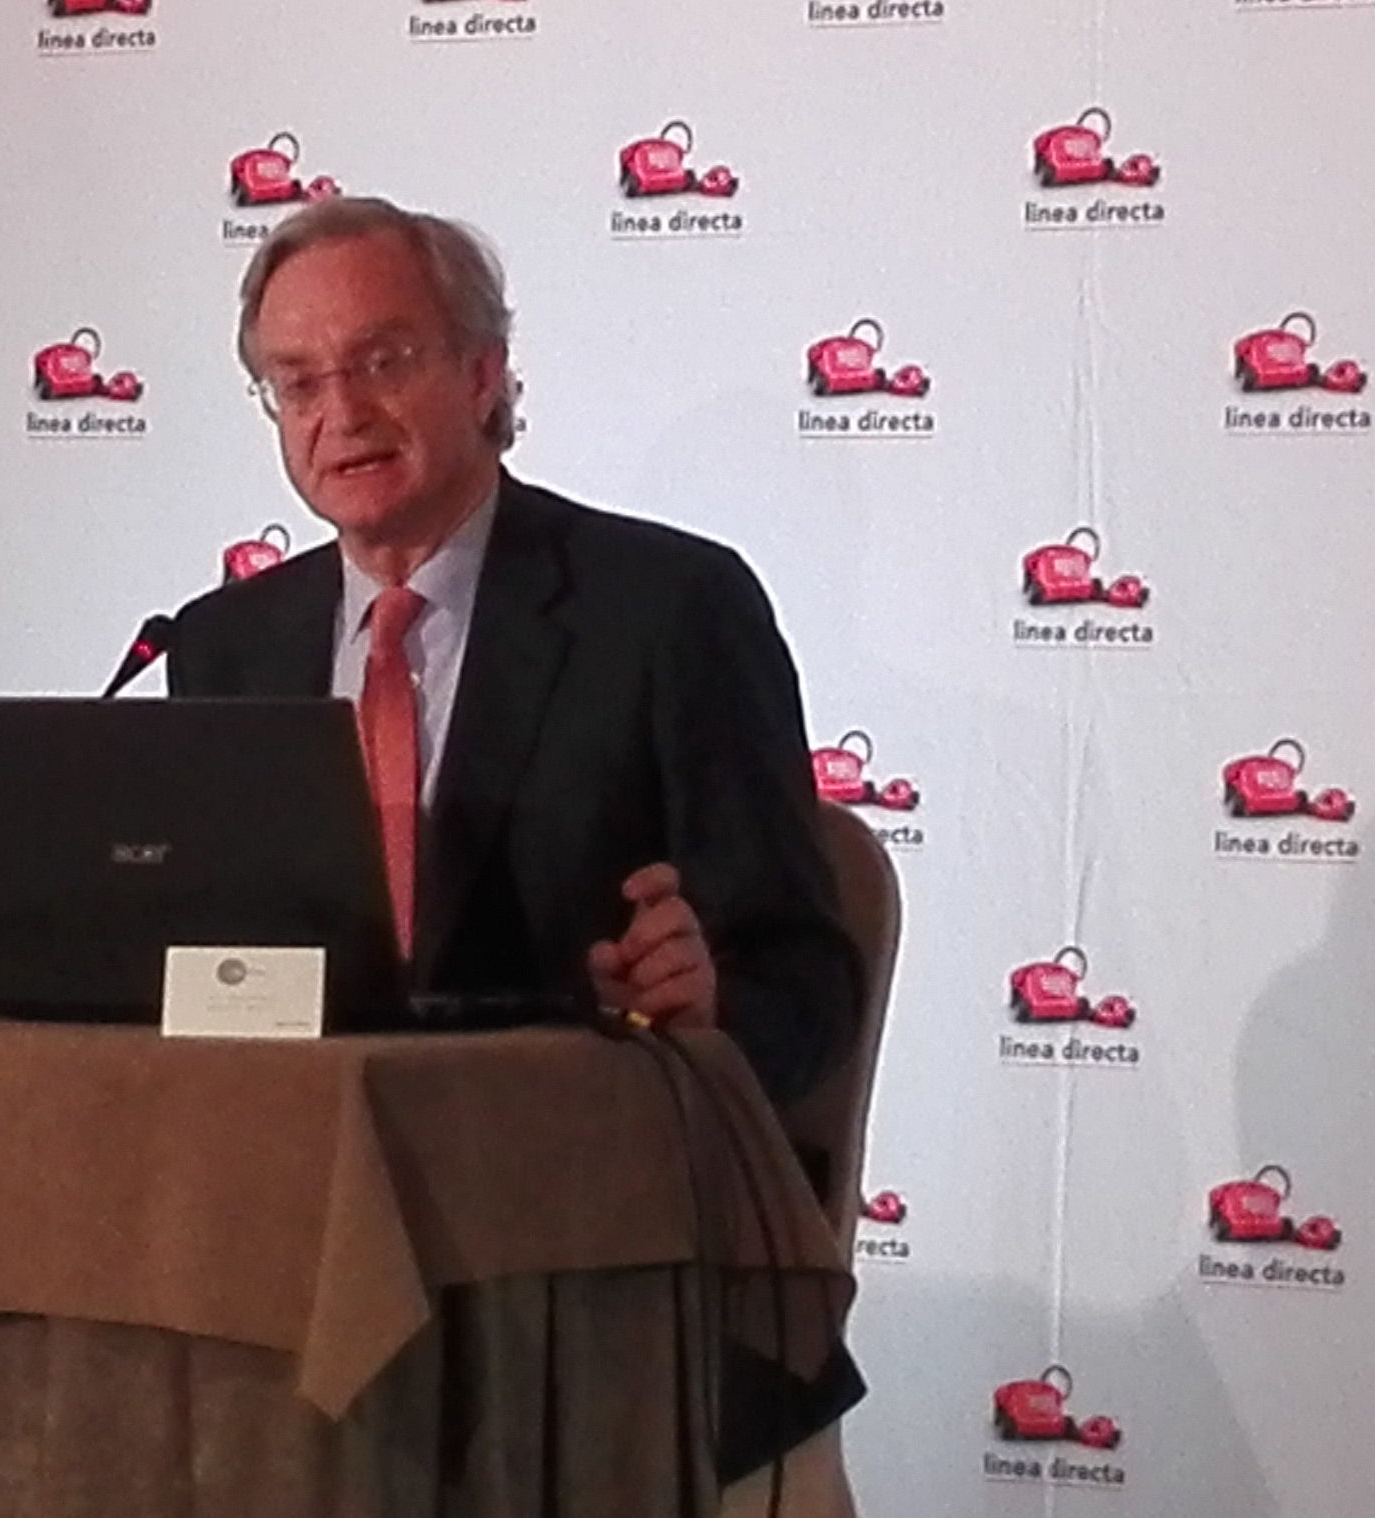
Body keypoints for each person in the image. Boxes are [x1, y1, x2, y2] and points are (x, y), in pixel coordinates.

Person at [163, 196, 865, 1488]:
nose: (340, 411)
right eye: (297, 381)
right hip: (288, 1262)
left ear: (483, 373)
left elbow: (811, 984)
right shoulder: (223, 645)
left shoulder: (669, 609)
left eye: (383, 359)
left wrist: (710, 1004)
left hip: (579, 1268)